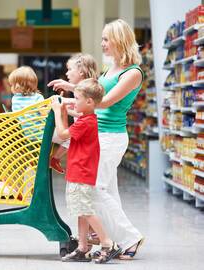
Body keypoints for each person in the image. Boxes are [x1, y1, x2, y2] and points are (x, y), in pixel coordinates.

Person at [48, 19, 144, 260]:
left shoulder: (132, 73)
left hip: (111, 136)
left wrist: (69, 97)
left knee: (93, 189)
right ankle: (115, 238)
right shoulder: (109, 69)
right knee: (108, 190)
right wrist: (71, 90)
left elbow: (105, 101)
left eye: (105, 39)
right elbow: (92, 99)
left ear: (119, 40)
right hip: (97, 134)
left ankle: (130, 237)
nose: (101, 44)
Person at [51, 78, 121, 264]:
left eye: (77, 98)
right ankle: (83, 247)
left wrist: (58, 111)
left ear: (89, 102)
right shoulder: (87, 118)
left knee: (86, 210)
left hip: (81, 172)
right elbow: (69, 127)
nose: (74, 101)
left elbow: (62, 133)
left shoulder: (85, 122)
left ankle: (108, 243)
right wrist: (65, 109)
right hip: (78, 171)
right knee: (81, 211)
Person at [8, 66, 70, 168]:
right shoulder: (37, 97)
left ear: (19, 86)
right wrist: (54, 104)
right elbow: (44, 113)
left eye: (12, 85)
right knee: (69, 138)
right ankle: (55, 159)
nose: (11, 87)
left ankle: (38, 165)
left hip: (26, 135)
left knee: (34, 160)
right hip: (41, 134)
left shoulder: (14, 99)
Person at [50, 53, 99, 174]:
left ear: (81, 71)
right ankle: (54, 159)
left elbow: (86, 112)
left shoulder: (88, 89)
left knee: (66, 138)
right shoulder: (83, 88)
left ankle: (52, 158)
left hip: (83, 134)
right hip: (81, 132)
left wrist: (63, 108)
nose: (67, 73)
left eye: (70, 69)